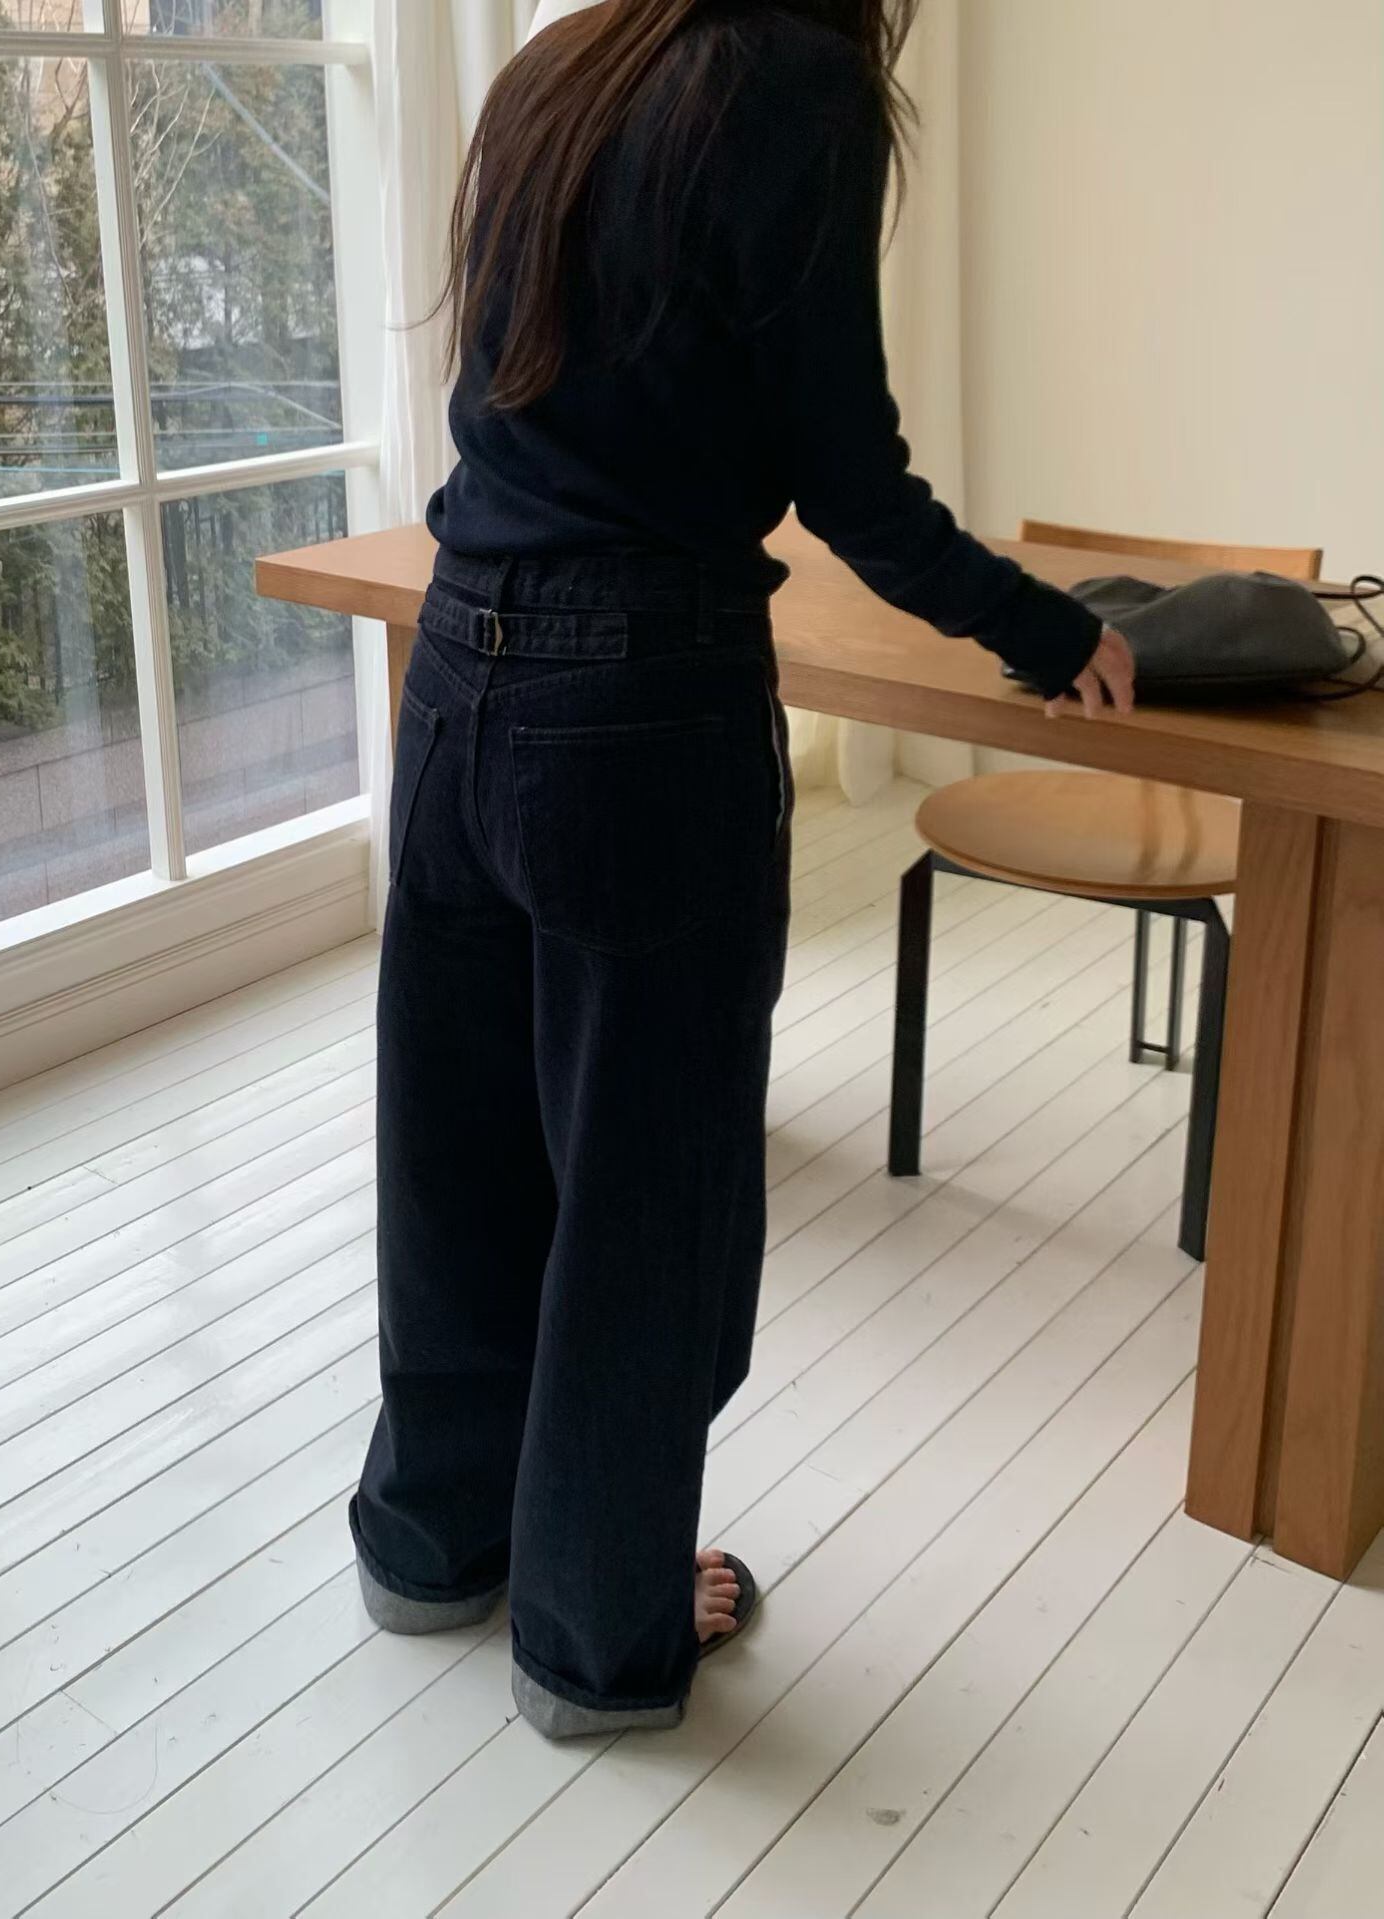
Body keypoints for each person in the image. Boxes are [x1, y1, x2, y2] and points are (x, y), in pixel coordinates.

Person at [350, 0, 1136, 1742]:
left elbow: (509, 396)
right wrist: (1045, 625)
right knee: (651, 1189)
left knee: (456, 1151)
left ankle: (428, 1549)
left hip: (459, 663)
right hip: (641, 704)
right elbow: (850, 476)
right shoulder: (791, 85)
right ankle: (595, 1631)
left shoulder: (566, 60)